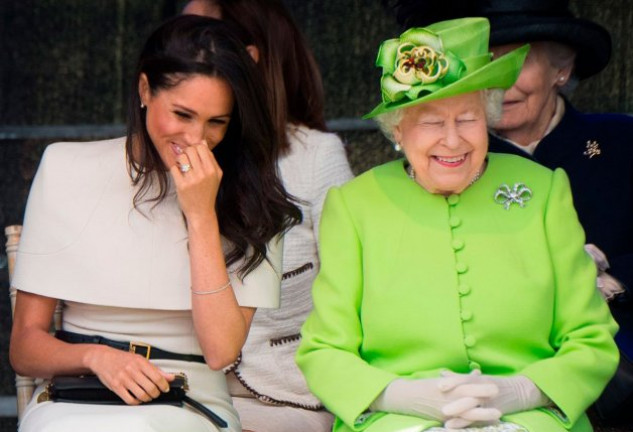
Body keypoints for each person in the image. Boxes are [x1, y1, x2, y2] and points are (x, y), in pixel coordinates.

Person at [296, 17, 619, 432]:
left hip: (534, 420)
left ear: (488, 118)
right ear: (398, 129)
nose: (452, 141)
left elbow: (590, 336)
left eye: (467, 119)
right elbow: (324, 350)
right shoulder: (355, 204)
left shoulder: (543, 191)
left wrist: (520, 391)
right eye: (431, 122)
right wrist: (400, 396)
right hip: (393, 422)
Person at [9, 15, 301, 432]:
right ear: (145, 90)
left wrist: (200, 214)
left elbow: (220, 351)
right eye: (182, 114)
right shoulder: (64, 167)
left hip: (190, 396)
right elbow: (24, 347)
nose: (198, 137)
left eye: (216, 121)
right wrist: (95, 357)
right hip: (77, 393)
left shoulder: (252, 196)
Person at [392, 0, 633, 423]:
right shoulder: (442, 159)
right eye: (483, 69)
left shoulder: (622, 140)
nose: (498, 86)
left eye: (515, 64)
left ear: (561, 68)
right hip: (493, 365)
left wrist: (610, 277)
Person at [182, 1, 354, 431]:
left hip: (286, 400)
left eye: (197, 37)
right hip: (182, 393)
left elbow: (356, 295)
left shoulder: (316, 157)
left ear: (247, 59)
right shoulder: (166, 153)